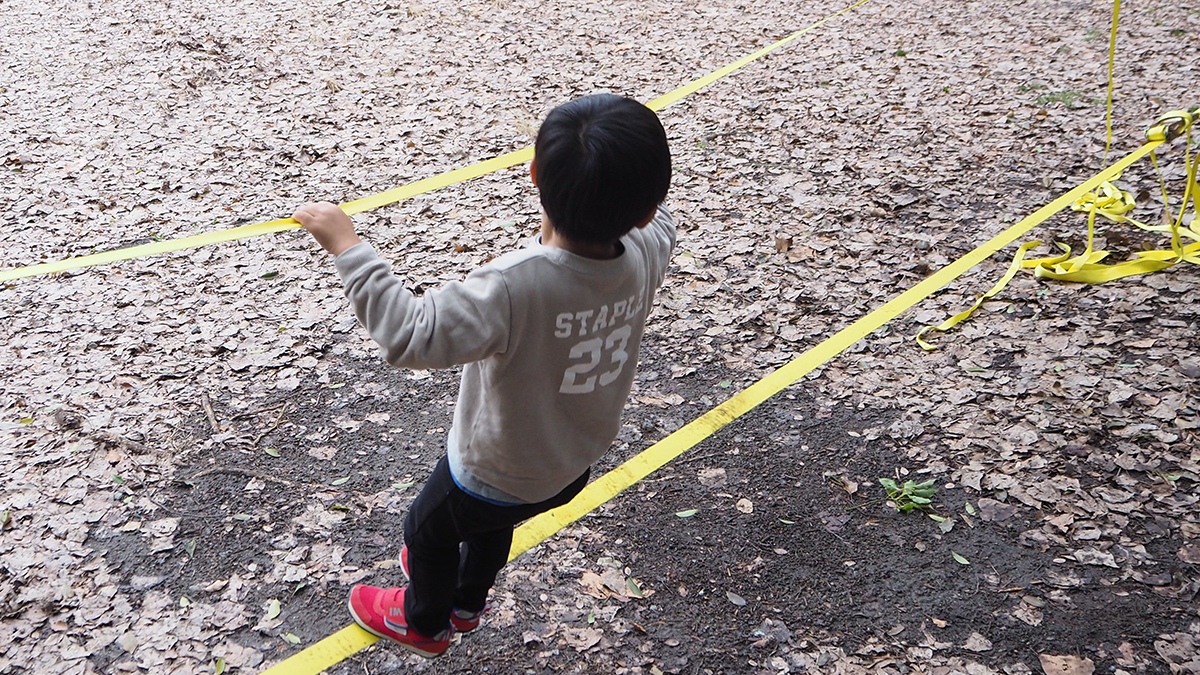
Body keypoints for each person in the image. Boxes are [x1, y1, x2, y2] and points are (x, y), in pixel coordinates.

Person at [292, 93, 676, 658]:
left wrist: (348, 246)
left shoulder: (513, 286)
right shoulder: (646, 251)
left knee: (426, 532)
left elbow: (411, 333)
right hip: (569, 464)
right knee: (495, 526)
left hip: (491, 468)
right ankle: (467, 602)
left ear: (534, 173)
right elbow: (659, 216)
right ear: (645, 210)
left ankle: (424, 622)